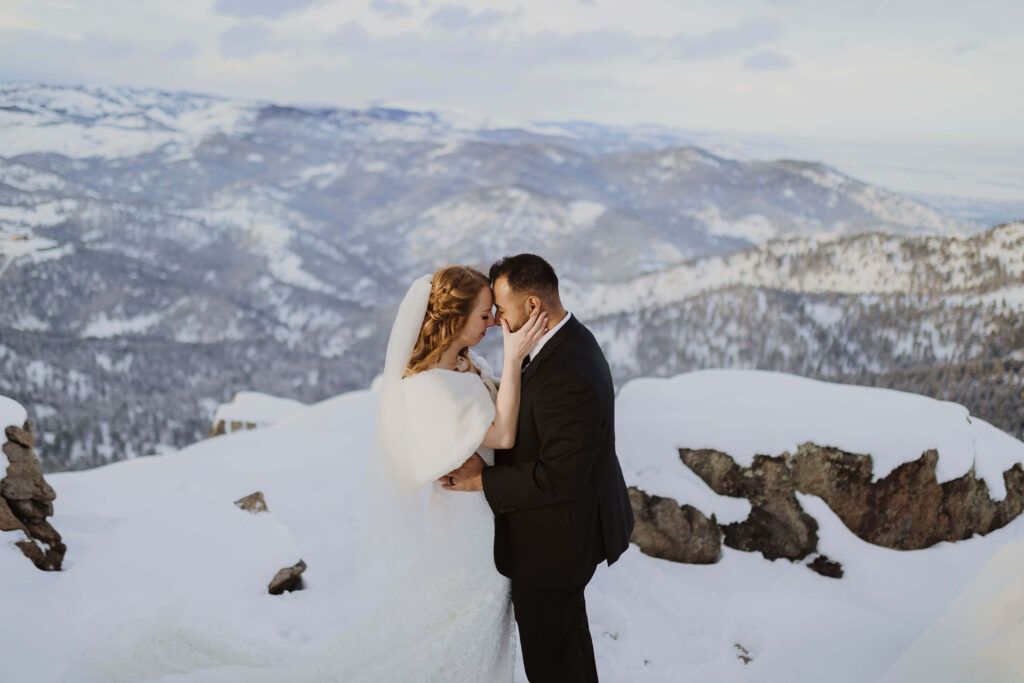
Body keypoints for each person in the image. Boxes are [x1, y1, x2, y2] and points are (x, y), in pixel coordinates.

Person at [443, 254, 635, 683]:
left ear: (532, 307)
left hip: (555, 545)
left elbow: (559, 476)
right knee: (567, 648)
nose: (496, 322)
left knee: (551, 661)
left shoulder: (569, 371)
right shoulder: (562, 343)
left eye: (502, 310)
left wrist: (481, 479)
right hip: (558, 533)